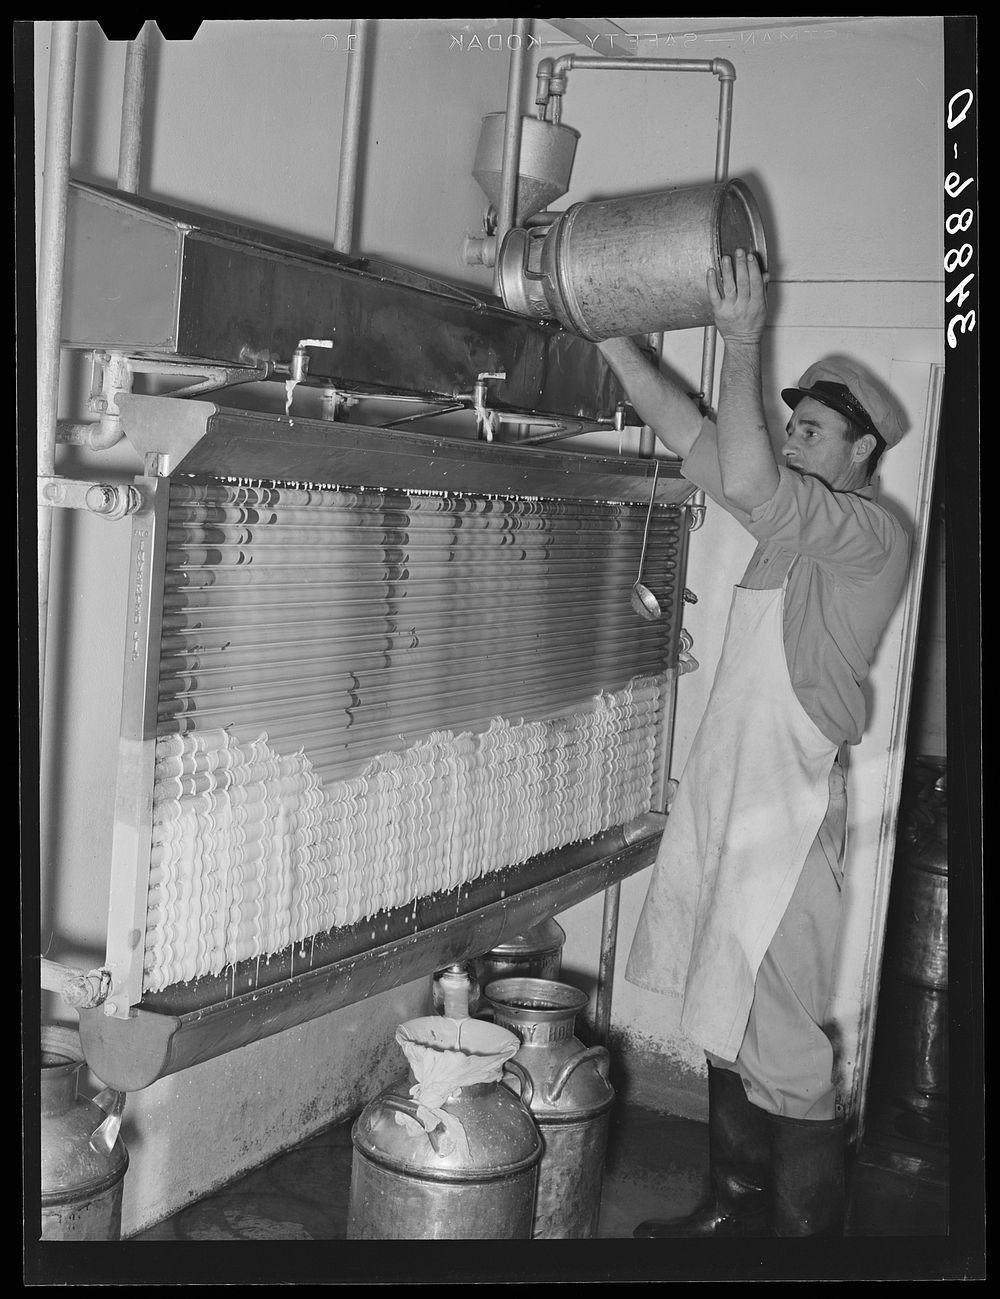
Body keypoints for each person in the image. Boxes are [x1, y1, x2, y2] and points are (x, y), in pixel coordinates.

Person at [598, 248, 910, 1238]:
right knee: (722, 1012)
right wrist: (610, 336)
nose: (792, 442)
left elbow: (741, 467)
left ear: (860, 450)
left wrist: (739, 338)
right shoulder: (788, 532)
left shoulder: (868, 533)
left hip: (790, 812)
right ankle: (731, 1213)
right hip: (734, 798)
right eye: (793, 429)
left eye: (810, 432)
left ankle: (805, 1244)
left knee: (782, 1041)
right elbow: (693, 431)